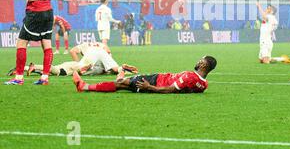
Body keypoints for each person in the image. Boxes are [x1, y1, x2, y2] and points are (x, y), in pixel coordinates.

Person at [5, 0, 63, 86]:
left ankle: (18, 78)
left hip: (35, 11)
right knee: (46, 44)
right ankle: (44, 78)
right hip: (48, 12)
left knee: (21, 42)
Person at [72, 56, 217, 94]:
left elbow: (171, 89)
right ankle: (122, 69)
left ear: (204, 65)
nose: (198, 61)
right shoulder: (204, 84)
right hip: (156, 80)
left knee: (121, 83)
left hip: (155, 82)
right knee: (123, 83)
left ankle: (84, 87)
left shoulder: (190, 76)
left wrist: (150, 86)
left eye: (201, 60)